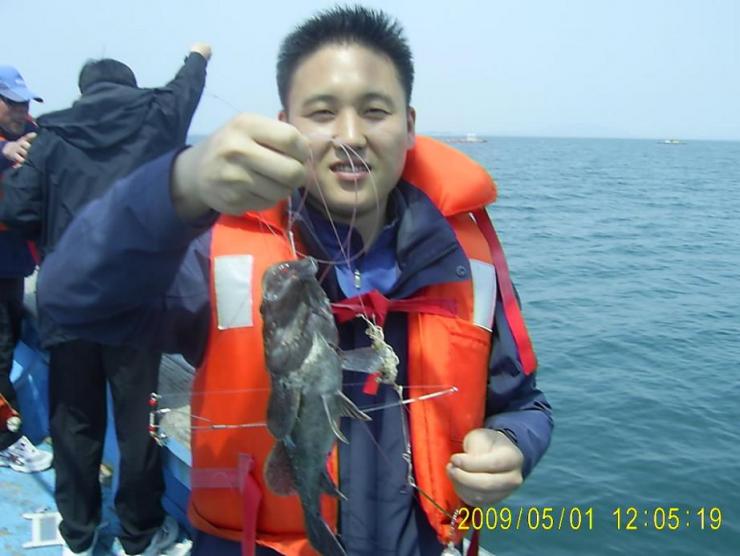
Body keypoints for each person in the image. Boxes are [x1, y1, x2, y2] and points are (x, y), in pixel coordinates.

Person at [38, 7, 553, 556]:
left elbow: (524, 404)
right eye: (323, 112)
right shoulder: (215, 252)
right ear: (286, 125)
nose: (350, 135)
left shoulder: (467, 264)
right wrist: (179, 186)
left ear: (409, 125)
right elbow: (70, 299)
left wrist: (512, 444)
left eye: (375, 111)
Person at [1, 44, 212, 556]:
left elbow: (17, 211)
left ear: (84, 91)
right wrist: (197, 56)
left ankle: (78, 531)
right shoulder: (156, 119)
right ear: (130, 88)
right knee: (137, 422)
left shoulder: (51, 137)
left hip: (68, 305)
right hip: (136, 308)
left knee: (74, 421)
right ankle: (141, 532)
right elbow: (185, 90)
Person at [0, 65, 52, 474]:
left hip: (13, 262)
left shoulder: (32, 131)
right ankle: (6, 439)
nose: (20, 111)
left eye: (24, 103)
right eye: (11, 103)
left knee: (10, 339)